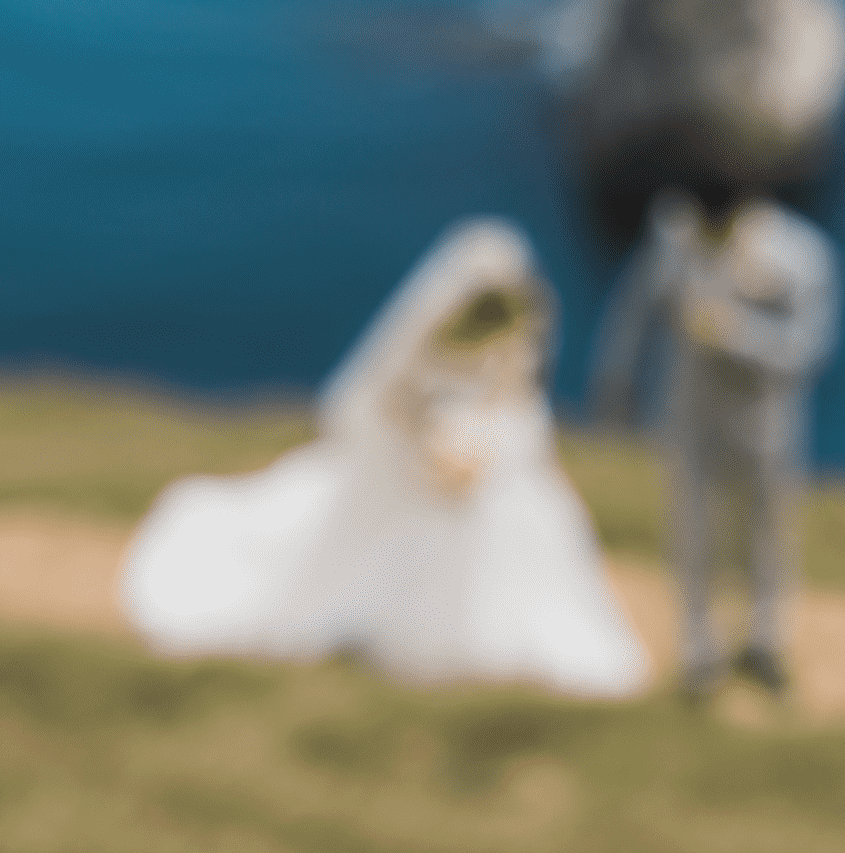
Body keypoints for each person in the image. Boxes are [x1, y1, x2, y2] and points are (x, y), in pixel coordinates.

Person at [122, 218, 648, 697]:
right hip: (431, 476)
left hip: (476, 480)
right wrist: (430, 453)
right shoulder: (449, 357)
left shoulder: (505, 349)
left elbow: (506, 403)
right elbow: (381, 408)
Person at [591, 188, 837, 698]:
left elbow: (806, 351)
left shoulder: (800, 253)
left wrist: (733, 332)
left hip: (767, 425)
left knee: (767, 533)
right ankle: (699, 650)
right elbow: (637, 310)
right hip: (690, 420)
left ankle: (764, 640)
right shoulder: (678, 240)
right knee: (693, 534)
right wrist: (617, 382)